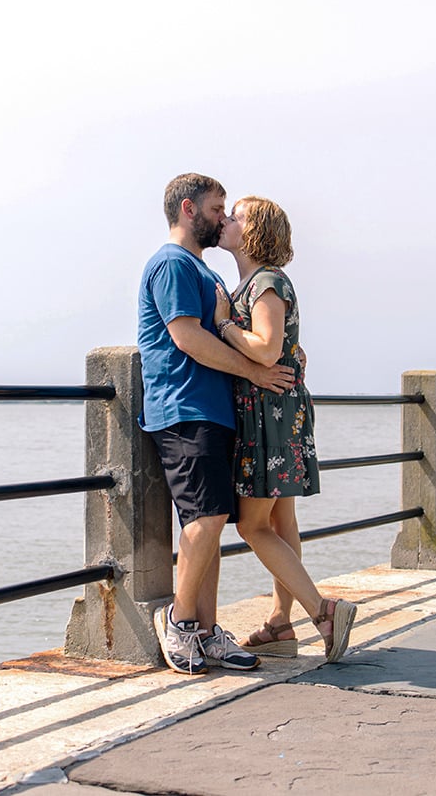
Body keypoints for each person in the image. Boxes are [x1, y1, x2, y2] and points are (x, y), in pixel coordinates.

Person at [138, 173, 296, 675]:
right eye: (215, 209)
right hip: (184, 407)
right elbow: (186, 337)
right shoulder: (172, 264)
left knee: (212, 520)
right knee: (204, 519)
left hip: (216, 411)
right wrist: (255, 372)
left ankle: (207, 632)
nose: (222, 218)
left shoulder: (204, 271)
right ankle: (179, 621)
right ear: (188, 209)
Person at [213, 195, 357, 663]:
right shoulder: (256, 283)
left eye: (237, 216)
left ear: (255, 232)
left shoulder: (265, 283)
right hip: (274, 410)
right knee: (281, 521)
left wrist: (223, 325)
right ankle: (279, 623)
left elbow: (267, 348)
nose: (227, 220)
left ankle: (322, 611)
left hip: (268, 415)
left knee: (253, 525)